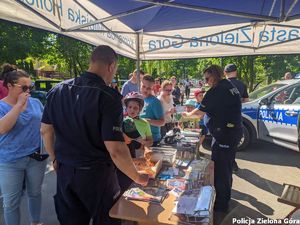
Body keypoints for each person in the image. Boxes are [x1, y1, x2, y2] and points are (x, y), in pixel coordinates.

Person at [40, 45, 148, 225]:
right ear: (111, 66)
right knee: (108, 219)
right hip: (97, 176)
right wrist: (137, 177)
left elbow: (45, 130)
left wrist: (54, 158)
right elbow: (115, 149)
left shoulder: (57, 90)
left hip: (66, 171)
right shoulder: (108, 96)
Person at [182, 65, 242, 212]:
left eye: (207, 78)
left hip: (225, 136)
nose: (206, 81)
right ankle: (223, 197)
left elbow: (200, 112)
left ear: (215, 76)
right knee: (224, 168)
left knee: (222, 170)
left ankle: (221, 204)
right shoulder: (229, 85)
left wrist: (187, 115)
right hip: (227, 134)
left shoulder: (217, 90)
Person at [0, 66, 47, 225]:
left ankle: (35, 222)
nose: (29, 91)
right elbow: (2, 128)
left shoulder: (35, 102)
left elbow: (46, 126)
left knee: (35, 193)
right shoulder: (2, 106)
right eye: (24, 87)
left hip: (36, 158)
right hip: (10, 161)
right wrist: (19, 105)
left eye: (31, 87)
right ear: (9, 86)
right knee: (11, 202)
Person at [118, 92, 153, 193]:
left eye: (135, 108)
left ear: (140, 109)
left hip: (139, 161)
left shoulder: (144, 123)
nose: (132, 110)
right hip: (125, 161)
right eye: (130, 107)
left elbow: (150, 141)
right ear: (126, 107)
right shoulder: (120, 122)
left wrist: (145, 144)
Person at [224, 63, 249, 172]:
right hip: (236, 117)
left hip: (224, 118)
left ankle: (226, 163)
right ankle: (232, 162)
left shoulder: (222, 84)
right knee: (233, 142)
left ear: (225, 73)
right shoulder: (242, 84)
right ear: (236, 72)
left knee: (223, 141)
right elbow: (246, 99)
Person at [140, 74, 165, 146]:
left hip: (153, 141)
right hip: (141, 140)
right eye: (144, 86)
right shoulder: (139, 99)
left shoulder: (155, 102)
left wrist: (146, 121)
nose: (145, 90)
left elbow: (162, 122)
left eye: (148, 88)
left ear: (152, 88)